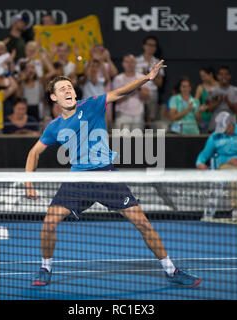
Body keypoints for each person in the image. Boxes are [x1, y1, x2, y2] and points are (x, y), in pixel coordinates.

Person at [24, 60, 202, 288]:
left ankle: (171, 270)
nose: (68, 90)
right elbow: (34, 153)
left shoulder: (93, 104)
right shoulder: (54, 127)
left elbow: (121, 91)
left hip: (107, 175)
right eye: (62, 89)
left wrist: (148, 78)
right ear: (54, 98)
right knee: (49, 223)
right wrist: (28, 182)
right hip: (78, 179)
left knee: (143, 224)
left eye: (69, 87)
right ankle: (45, 268)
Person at [196, 111, 237, 220]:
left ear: (231, 123)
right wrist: (199, 163)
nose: (224, 132)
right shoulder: (215, 136)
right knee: (233, 173)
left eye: (225, 128)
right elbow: (204, 154)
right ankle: (235, 208)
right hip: (224, 166)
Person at [112, 54, 150, 130]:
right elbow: (116, 100)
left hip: (138, 115)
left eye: (132, 62)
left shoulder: (141, 78)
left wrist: (136, 88)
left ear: (135, 63)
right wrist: (132, 90)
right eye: (127, 62)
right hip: (122, 115)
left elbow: (146, 97)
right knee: (120, 141)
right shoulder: (118, 79)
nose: (129, 64)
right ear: (123, 64)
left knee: (138, 141)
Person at [135, 36, 164, 125]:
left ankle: (150, 138)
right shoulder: (136, 61)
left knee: (150, 121)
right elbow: (132, 80)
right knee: (138, 120)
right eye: (149, 45)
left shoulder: (158, 62)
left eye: (153, 45)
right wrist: (140, 90)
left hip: (152, 95)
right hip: (138, 94)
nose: (151, 47)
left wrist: (150, 75)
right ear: (144, 46)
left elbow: (160, 83)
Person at [205, 66, 237, 132]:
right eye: (221, 74)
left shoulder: (236, 91)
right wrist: (218, 102)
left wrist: (228, 102)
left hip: (231, 129)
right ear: (217, 76)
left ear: (229, 76)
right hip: (215, 128)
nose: (223, 77)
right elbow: (208, 110)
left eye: (226, 74)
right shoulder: (212, 91)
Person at [194, 67, 218, 133]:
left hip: (217, 119)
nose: (203, 79)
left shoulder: (220, 86)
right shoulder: (201, 87)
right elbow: (195, 102)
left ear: (210, 74)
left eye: (204, 76)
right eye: (201, 77)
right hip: (204, 119)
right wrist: (199, 109)